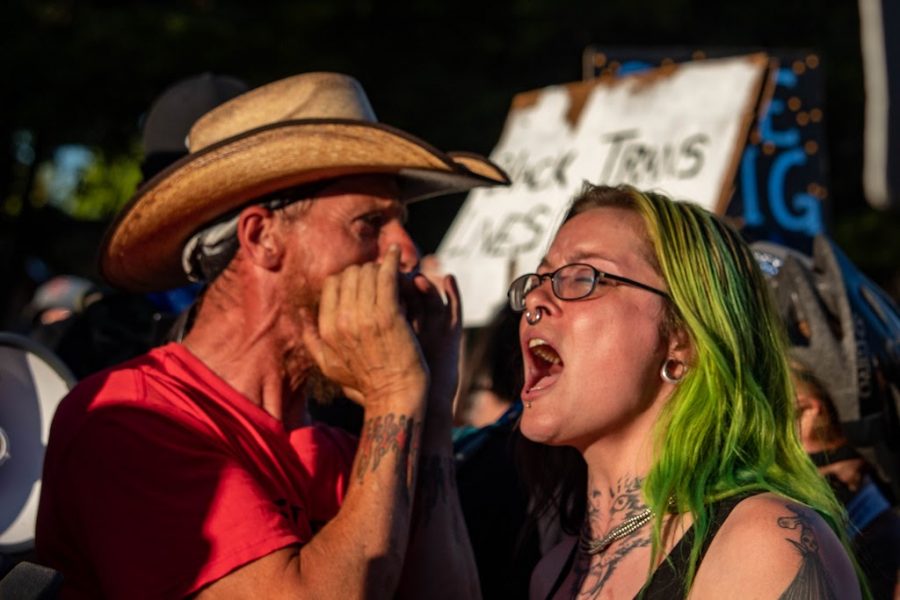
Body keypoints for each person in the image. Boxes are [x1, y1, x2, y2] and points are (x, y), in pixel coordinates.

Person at [35, 71, 509, 598]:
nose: (407, 251)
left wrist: (434, 411)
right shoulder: (133, 417)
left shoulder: (341, 450)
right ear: (262, 237)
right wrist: (395, 395)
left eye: (401, 224)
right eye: (368, 225)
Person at [509, 183, 864, 598]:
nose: (534, 298)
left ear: (682, 341)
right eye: (540, 278)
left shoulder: (765, 547)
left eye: (583, 277)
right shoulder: (552, 573)